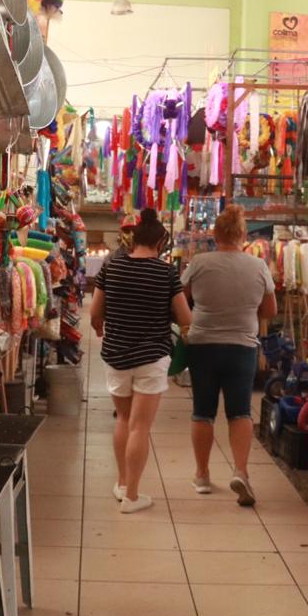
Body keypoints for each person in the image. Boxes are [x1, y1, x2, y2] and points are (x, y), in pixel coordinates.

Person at [90, 208, 191, 514]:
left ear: (133, 240)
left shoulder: (112, 267)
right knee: (140, 427)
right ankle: (132, 497)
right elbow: (185, 318)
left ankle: (122, 484)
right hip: (151, 357)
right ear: (160, 243)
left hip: (116, 354)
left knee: (124, 419)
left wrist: (101, 328)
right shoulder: (166, 273)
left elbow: (95, 313)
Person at [181, 205, 277, 506]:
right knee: (240, 412)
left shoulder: (199, 263)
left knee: (202, 411)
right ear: (242, 235)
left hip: (202, 345)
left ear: (215, 234)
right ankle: (241, 471)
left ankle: (201, 475)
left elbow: (180, 300)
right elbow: (270, 310)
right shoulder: (258, 266)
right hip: (242, 347)